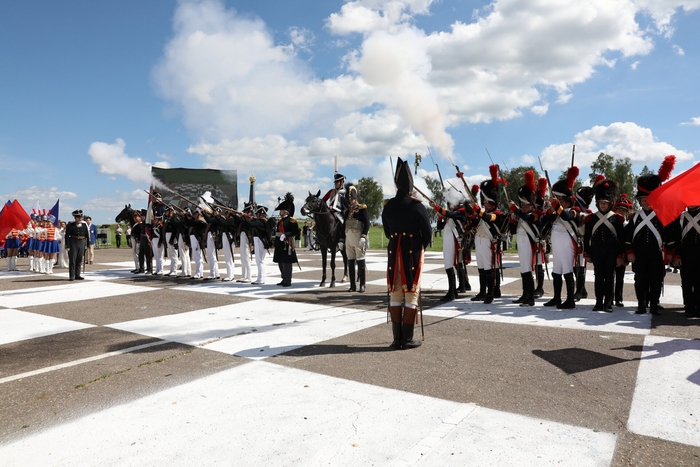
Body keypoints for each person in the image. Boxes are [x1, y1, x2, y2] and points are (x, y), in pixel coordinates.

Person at [382, 157, 431, 350]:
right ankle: (407, 339)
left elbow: (387, 232)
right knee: (411, 292)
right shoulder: (417, 205)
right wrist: (420, 247)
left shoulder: (388, 206)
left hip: (395, 251)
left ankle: (396, 339)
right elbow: (426, 233)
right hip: (412, 251)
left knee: (395, 292)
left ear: (396, 184)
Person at [626, 156, 676, 315]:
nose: (645, 202)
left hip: (656, 253)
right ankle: (641, 303)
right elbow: (627, 236)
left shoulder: (662, 215)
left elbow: (670, 235)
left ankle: (654, 304)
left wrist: (669, 253)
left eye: (648, 199)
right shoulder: (635, 217)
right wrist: (629, 252)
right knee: (640, 279)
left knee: (656, 279)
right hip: (640, 253)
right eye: (642, 199)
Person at [542, 166, 582, 309]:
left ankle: (570, 299)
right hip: (557, 245)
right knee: (556, 272)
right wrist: (551, 210)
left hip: (567, 244)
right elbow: (544, 221)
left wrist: (556, 207)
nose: (559, 202)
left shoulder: (574, 210)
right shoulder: (556, 212)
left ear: (568, 200)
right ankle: (556, 298)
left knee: (567, 271)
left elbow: (566, 216)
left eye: (561, 200)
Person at [583, 178, 625, 312]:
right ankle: (598, 302)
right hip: (596, 251)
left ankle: (608, 303)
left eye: (605, 203)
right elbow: (587, 237)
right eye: (600, 202)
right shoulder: (591, 219)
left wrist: (620, 255)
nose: (602, 205)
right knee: (599, 277)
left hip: (611, 251)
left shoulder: (616, 218)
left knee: (609, 277)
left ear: (610, 203)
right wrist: (587, 253)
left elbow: (621, 239)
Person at [469, 165, 507, 305]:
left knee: (489, 268)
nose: (486, 204)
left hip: (489, 243)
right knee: (481, 268)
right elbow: (475, 221)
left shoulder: (497, 214)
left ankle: (490, 294)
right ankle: (482, 291)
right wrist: (472, 209)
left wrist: (478, 211)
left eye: (488, 202)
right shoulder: (483, 212)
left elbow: (487, 218)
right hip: (479, 241)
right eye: (484, 202)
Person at [429, 186, 470, 302]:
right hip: (448, 241)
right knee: (448, 264)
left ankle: (452, 292)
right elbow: (439, 227)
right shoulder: (451, 213)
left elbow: (451, 215)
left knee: (450, 264)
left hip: (454, 241)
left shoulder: (461, 212)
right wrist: (439, 218)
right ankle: (453, 291)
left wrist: (437, 208)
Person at [508, 170, 541, 307]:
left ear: (532, 205)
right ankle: (525, 294)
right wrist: (512, 219)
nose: (523, 207)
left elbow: (528, 219)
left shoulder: (536, 213)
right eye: (522, 206)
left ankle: (531, 297)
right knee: (523, 269)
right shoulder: (521, 214)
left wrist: (516, 211)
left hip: (529, 242)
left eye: (525, 205)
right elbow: (512, 231)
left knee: (527, 269)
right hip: (521, 243)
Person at [671, 205, 700, 316]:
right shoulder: (682, 217)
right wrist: (677, 255)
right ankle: (689, 307)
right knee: (687, 282)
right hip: (686, 255)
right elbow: (677, 238)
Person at [344, 184, 370, 293]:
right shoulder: (347, 211)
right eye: (350, 200)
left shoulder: (362, 209)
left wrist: (364, 235)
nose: (352, 202)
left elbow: (367, 223)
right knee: (350, 262)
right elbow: (343, 226)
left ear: (356, 199)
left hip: (358, 238)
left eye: (353, 199)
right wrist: (341, 239)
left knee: (360, 262)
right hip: (348, 239)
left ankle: (362, 285)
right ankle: (352, 285)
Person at [273, 193, 299, 287]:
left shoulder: (292, 220)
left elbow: (295, 231)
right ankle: (284, 278)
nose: (280, 212)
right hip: (280, 243)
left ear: (286, 212)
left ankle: (288, 280)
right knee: (280, 262)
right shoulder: (280, 221)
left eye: (282, 211)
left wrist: (286, 234)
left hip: (287, 243)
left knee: (286, 263)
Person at [613, 193, 634, 307]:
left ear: (626, 212)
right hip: (611, 253)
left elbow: (628, 242)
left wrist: (626, 258)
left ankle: (618, 298)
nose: (621, 212)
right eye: (619, 209)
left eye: (623, 210)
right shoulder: (610, 222)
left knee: (620, 278)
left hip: (622, 254)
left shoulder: (627, 225)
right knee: (609, 278)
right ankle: (609, 298)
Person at [65, 209, 89, 281]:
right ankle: (72, 275)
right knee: (72, 260)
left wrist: (87, 244)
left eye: (80, 217)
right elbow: (67, 236)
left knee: (79, 259)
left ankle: (77, 274)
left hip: (82, 242)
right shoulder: (70, 225)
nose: (80, 219)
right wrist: (68, 246)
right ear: (75, 218)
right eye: (78, 217)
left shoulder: (84, 225)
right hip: (73, 242)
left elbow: (86, 235)